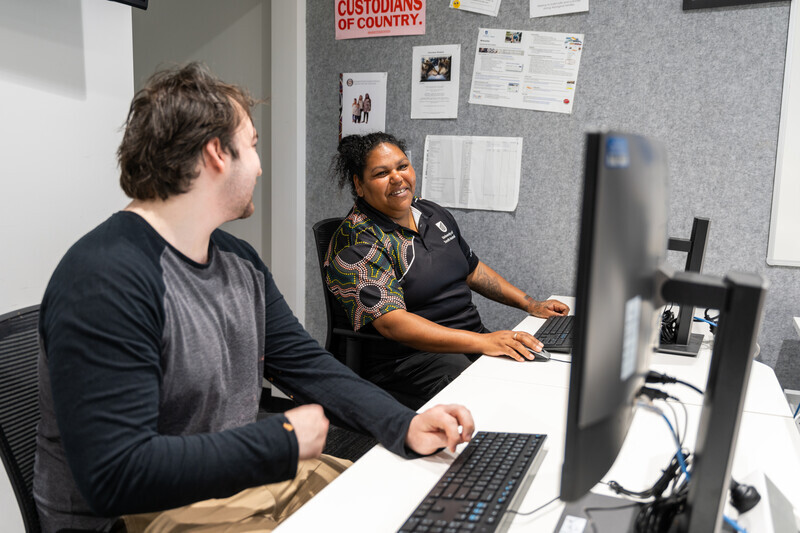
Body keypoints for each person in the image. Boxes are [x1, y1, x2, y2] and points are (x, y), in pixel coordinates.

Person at [33, 64, 474, 532]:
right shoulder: (106, 278)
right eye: (253, 147)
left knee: (414, 508)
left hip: (232, 480)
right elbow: (115, 474)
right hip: (143, 511)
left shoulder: (236, 259)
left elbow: (306, 364)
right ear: (216, 155)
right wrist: (280, 439)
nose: (261, 166)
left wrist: (404, 424)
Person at [325, 133, 570, 409]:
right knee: (494, 400)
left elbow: (471, 269)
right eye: (381, 173)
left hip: (467, 340)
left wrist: (531, 304)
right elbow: (392, 323)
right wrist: (483, 341)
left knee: (535, 377)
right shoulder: (357, 240)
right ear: (359, 184)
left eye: (402, 166)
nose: (397, 178)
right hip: (409, 359)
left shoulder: (430, 212)